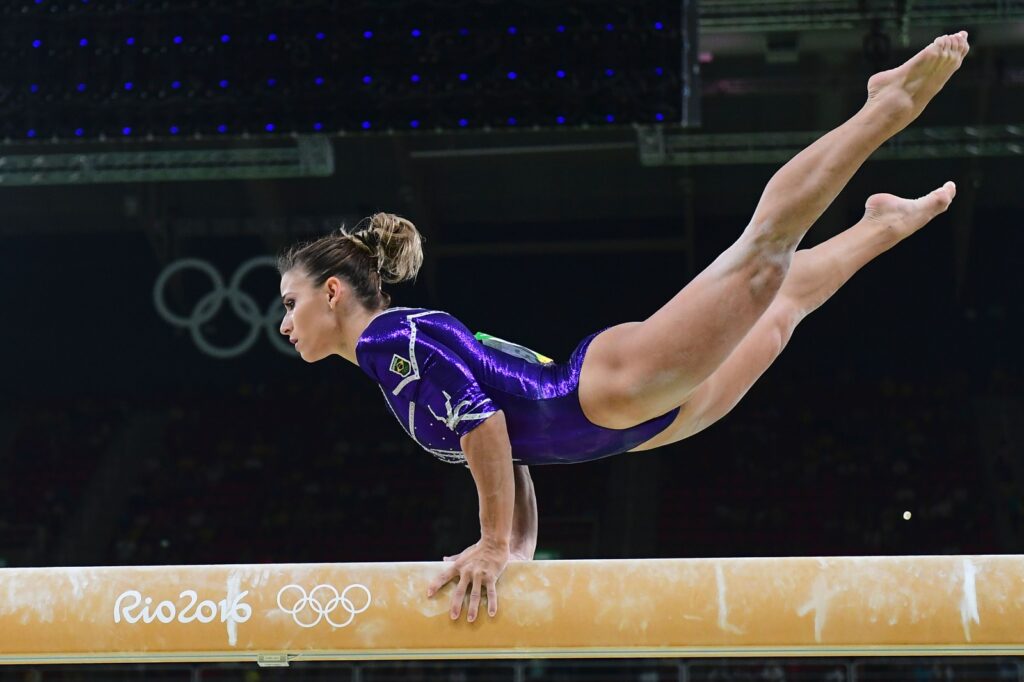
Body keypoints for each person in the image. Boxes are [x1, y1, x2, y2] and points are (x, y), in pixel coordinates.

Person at [277, 32, 969, 623]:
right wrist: (517, 547)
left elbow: (485, 424)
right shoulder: (399, 348)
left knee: (761, 258)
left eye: (289, 302)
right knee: (779, 309)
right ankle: (878, 226)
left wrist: (489, 544)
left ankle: (885, 106)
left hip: (608, 392)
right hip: (638, 424)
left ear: (333, 292)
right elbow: (502, 443)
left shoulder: (390, 341)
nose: (284, 324)